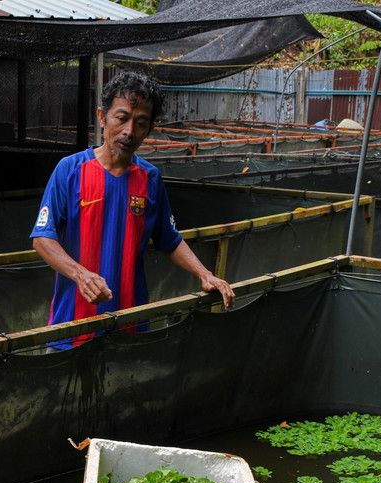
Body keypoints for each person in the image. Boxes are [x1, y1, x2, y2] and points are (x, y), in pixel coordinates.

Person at [30, 70, 234, 343]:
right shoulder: (70, 170)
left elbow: (169, 239)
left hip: (131, 325)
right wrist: (81, 275)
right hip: (71, 327)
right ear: (102, 117)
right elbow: (43, 237)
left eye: (140, 123)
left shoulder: (150, 178)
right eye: (122, 118)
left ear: (148, 129)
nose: (129, 131)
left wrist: (205, 275)